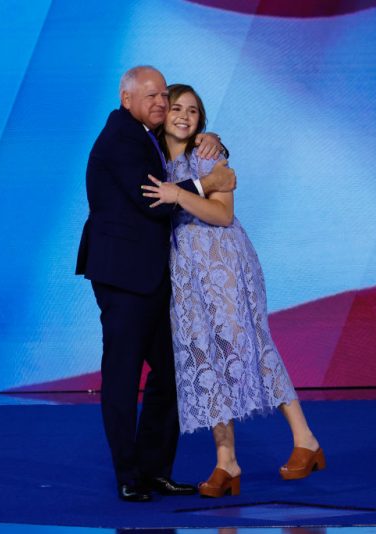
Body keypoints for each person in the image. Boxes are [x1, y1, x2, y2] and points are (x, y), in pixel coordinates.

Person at [141, 84, 325, 498]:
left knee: (250, 345)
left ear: (202, 121)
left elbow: (223, 215)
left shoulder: (209, 154)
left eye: (193, 110)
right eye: (176, 108)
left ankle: (306, 439)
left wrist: (179, 194)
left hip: (225, 264)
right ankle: (227, 462)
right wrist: (177, 190)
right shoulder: (149, 155)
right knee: (204, 356)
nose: (184, 116)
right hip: (184, 272)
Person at [76, 66, 236, 502]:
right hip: (124, 278)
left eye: (165, 95)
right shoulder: (121, 137)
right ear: (126, 98)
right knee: (123, 376)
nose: (162, 104)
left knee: (171, 372)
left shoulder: (145, 133)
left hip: (152, 277)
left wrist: (211, 137)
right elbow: (154, 198)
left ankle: (155, 469)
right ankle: (129, 475)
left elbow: (184, 141)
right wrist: (208, 183)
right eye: (152, 96)